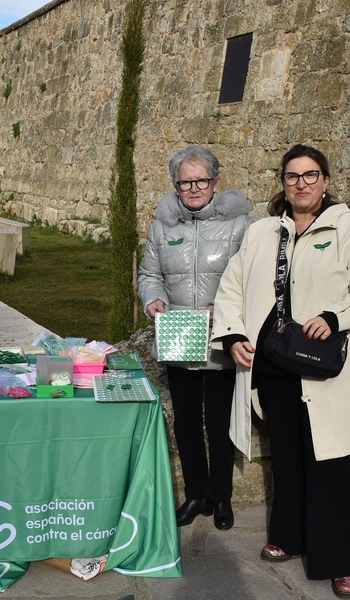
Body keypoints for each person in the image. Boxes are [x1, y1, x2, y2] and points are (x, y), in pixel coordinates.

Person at [211, 144, 350, 597]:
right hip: (275, 365)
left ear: (326, 181)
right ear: (284, 183)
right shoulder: (262, 232)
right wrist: (233, 335)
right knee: (288, 456)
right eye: (293, 176)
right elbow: (231, 285)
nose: (302, 183)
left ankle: (339, 560)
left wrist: (335, 317)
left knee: (330, 462)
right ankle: (288, 536)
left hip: (325, 368)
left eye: (311, 175)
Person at [137, 145, 252, 530]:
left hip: (221, 338)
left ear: (216, 182)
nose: (193, 187)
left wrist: (226, 310)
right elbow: (150, 274)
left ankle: (221, 497)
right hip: (179, 334)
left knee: (219, 422)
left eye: (201, 180)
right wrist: (154, 299)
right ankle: (197, 495)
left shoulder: (241, 226)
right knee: (186, 421)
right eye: (185, 181)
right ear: (176, 185)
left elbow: (251, 280)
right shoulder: (161, 227)